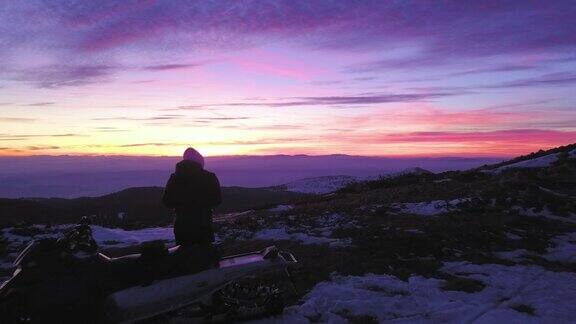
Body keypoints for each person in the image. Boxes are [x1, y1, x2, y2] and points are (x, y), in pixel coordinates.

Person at [162, 148, 222, 247]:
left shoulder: (175, 178)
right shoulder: (209, 177)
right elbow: (217, 199)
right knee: (205, 257)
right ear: (199, 161)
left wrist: (182, 203)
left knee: (185, 258)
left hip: (182, 226)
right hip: (204, 225)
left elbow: (167, 201)